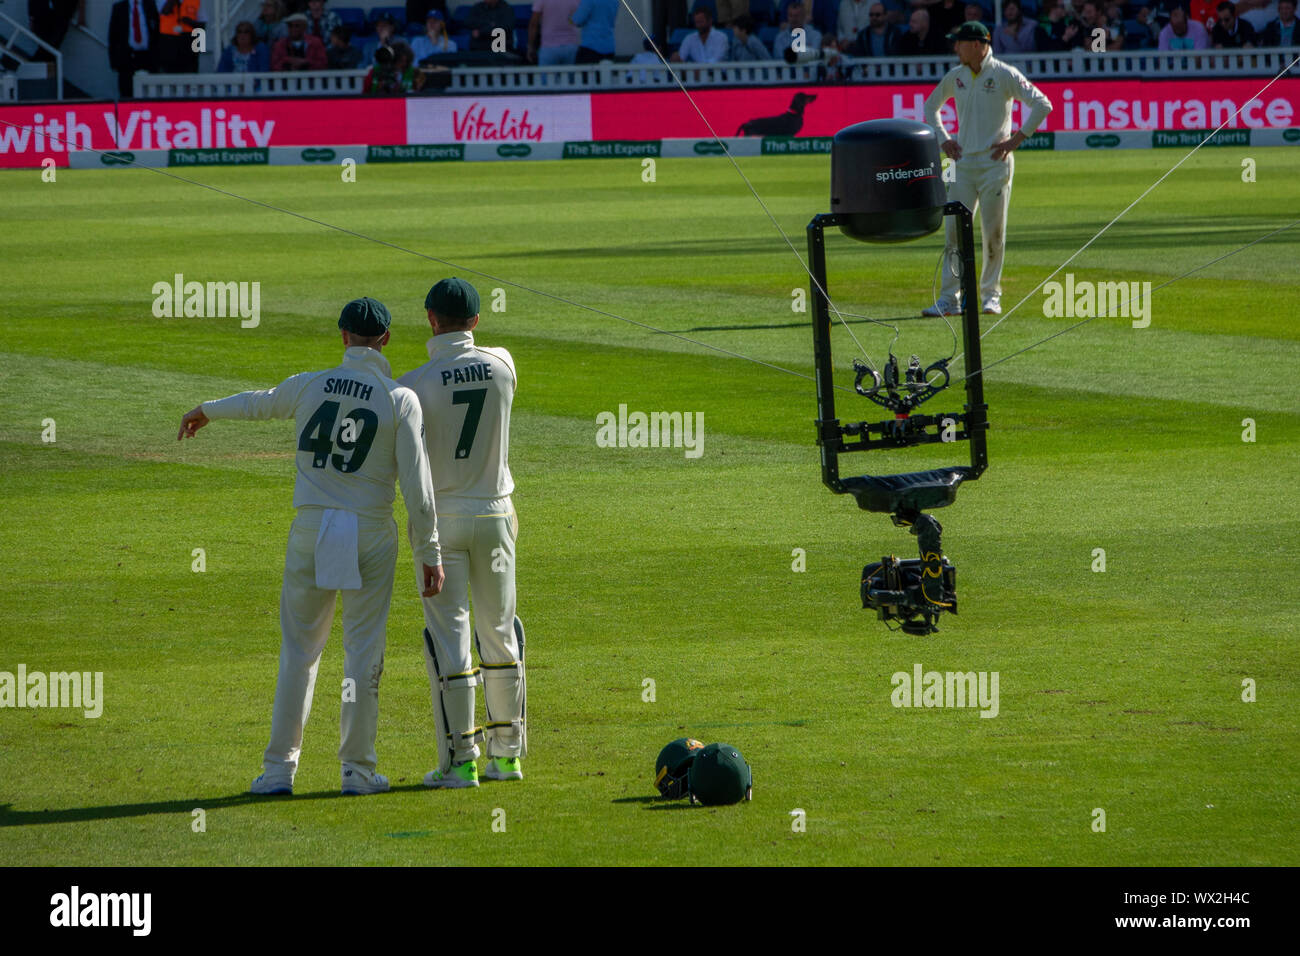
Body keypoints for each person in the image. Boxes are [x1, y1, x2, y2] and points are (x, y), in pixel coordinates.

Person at [176, 298, 445, 797]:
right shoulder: (399, 397)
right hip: (370, 532)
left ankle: (279, 770)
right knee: (363, 654)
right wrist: (429, 552)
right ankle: (358, 772)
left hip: (312, 531)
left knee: (299, 653)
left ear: (343, 335)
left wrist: (206, 411)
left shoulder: (309, 383)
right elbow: (418, 486)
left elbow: (260, 401)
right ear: (385, 339)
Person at [398, 279, 525, 790]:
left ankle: (461, 763)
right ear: (475, 320)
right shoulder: (504, 365)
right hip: (496, 517)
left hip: (442, 520)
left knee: (450, 640)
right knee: (500, 631)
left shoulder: (412, 385)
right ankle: (508, 757)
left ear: (430, 318)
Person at [922, 20, 1052, 316]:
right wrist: (944, 140)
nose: (955, 48)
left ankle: (990, 295)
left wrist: (1016, 140)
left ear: (977, 45)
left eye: (960, 42)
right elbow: (931, 107)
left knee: (993, 232)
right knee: (953, 232)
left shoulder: (1004, 74)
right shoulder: (956, 76)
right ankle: (949, 299)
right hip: (963, 164)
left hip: (995, 165)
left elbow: (1042, 104)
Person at [109, 0, 158, 98]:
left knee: (149, 92)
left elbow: (156, 32)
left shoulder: (150, 5)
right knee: (127, 91)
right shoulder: (119, 7)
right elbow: (113, 36)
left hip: (146, 56)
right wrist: (114, 61)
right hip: (127, 57)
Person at [156, 0, 205, 72]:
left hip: (189, 39)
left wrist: (188, 21)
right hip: (169, 39)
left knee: (190, 70)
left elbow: (202, 23)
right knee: (170, 70)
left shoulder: (195, 1)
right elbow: (165, 11)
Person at [529, 0, 581, 65]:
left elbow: (534, 23)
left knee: (547, 74)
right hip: (571, 46)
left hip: (548, 47)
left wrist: (530, 47)